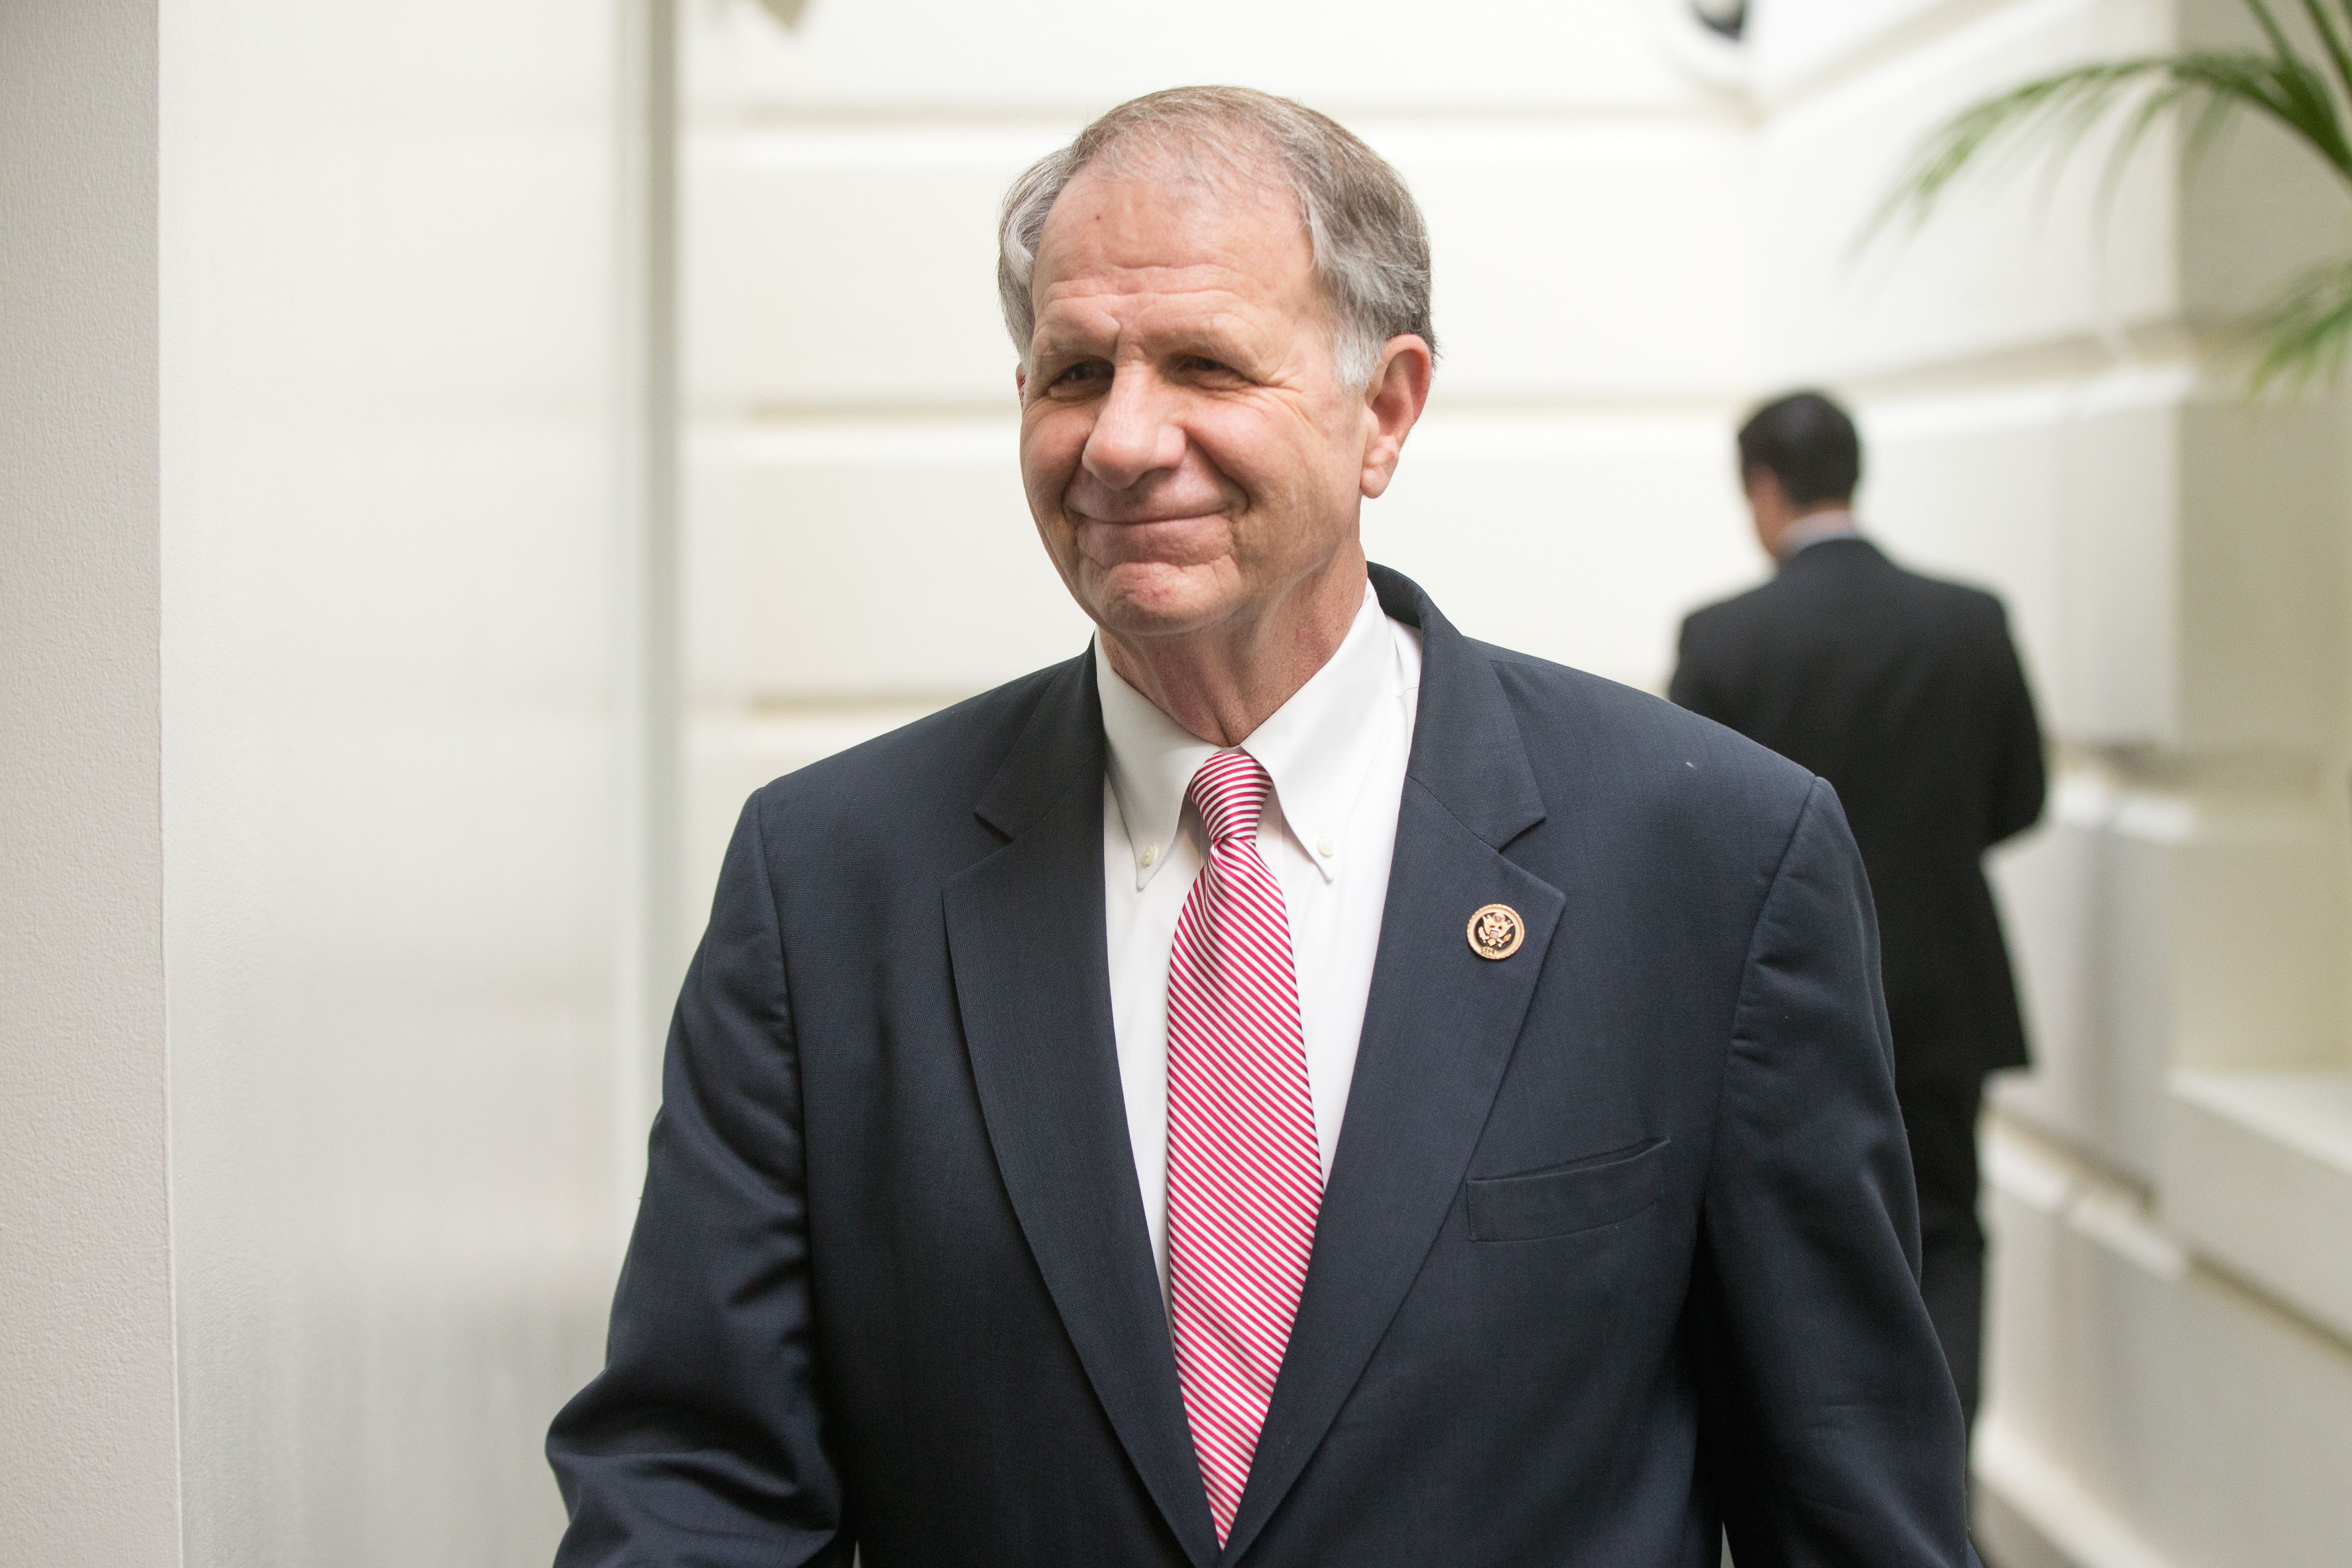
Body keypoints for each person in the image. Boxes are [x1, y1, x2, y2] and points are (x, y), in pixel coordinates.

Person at [548, 90, 1977, 1568]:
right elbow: (694, 1483)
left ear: (1386, 409)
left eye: (1204, 366)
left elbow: (1851, 1509)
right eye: (1073, 372)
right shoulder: (829, 882)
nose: (1121, 439)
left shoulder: (1712, 864)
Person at [1671, 390, 2047, 1433]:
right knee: (1949, 1233)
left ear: (1760, 489)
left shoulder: (1724, 637)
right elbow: (2020, 798)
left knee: (1795, 1241)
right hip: (1943, 995)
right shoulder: (1969, 618)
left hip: (1780, 1000)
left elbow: (1688, 831)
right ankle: (1939, 1495)